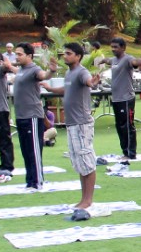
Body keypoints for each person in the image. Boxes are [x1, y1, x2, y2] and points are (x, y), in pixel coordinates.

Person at [42, 43, 102, 212]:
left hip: (82, 123)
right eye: (64, 53)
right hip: (72, 123)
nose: (65, 56)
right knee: (79, 162)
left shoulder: (82, 72)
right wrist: (50, 88)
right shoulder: (69, 73)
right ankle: (83, 199)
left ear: (78, 56)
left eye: (68, 53)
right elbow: (66, 89)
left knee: (86, 160)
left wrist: (93, 82)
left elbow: (88, 82)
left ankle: (88, 200)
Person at [4, 43, 54, 190]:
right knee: (26, 150)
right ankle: (30, 181)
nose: (17, 56)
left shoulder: (34, 70)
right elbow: (15, 70)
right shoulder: (21, 70)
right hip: (21, 116)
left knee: (34, 150)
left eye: (20, 54)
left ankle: (38, 181)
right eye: (16, 54)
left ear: (29, 56)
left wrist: (51, 71)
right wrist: (8, 65)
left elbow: (43, 75)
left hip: (32, 116)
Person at [93, 38, 141, 161]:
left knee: (127, 126)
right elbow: (109, 60)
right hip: (116, 99)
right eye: (112, 47)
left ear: (123, 48)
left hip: (126, 99)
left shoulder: (128, 59)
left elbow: (135, 62)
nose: (113, 49)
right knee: (119, 126)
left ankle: (131, 153)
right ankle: (124, 151)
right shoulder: (114, 60)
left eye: (116, 47)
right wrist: (102, 60)